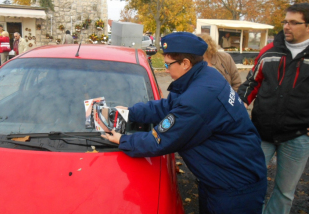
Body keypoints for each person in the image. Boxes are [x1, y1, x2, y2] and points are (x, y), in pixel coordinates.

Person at [102, 32, 267, 214]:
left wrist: (124, 140)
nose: (165, 69)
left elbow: (160, 140)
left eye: (167, 64)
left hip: (235, 188)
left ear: (186, 64)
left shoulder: (198, 98)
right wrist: (129, 113)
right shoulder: (203, 76)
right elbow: (166, 106)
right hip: (220, 179)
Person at [238, 3, 309, 214]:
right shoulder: (270, 51)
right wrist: (239, 106)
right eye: (285, 21)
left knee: (285, 192)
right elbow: (252, 82)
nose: (287, 26)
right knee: (250, 184)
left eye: (294, 22)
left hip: (297, 136)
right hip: (261, 132)